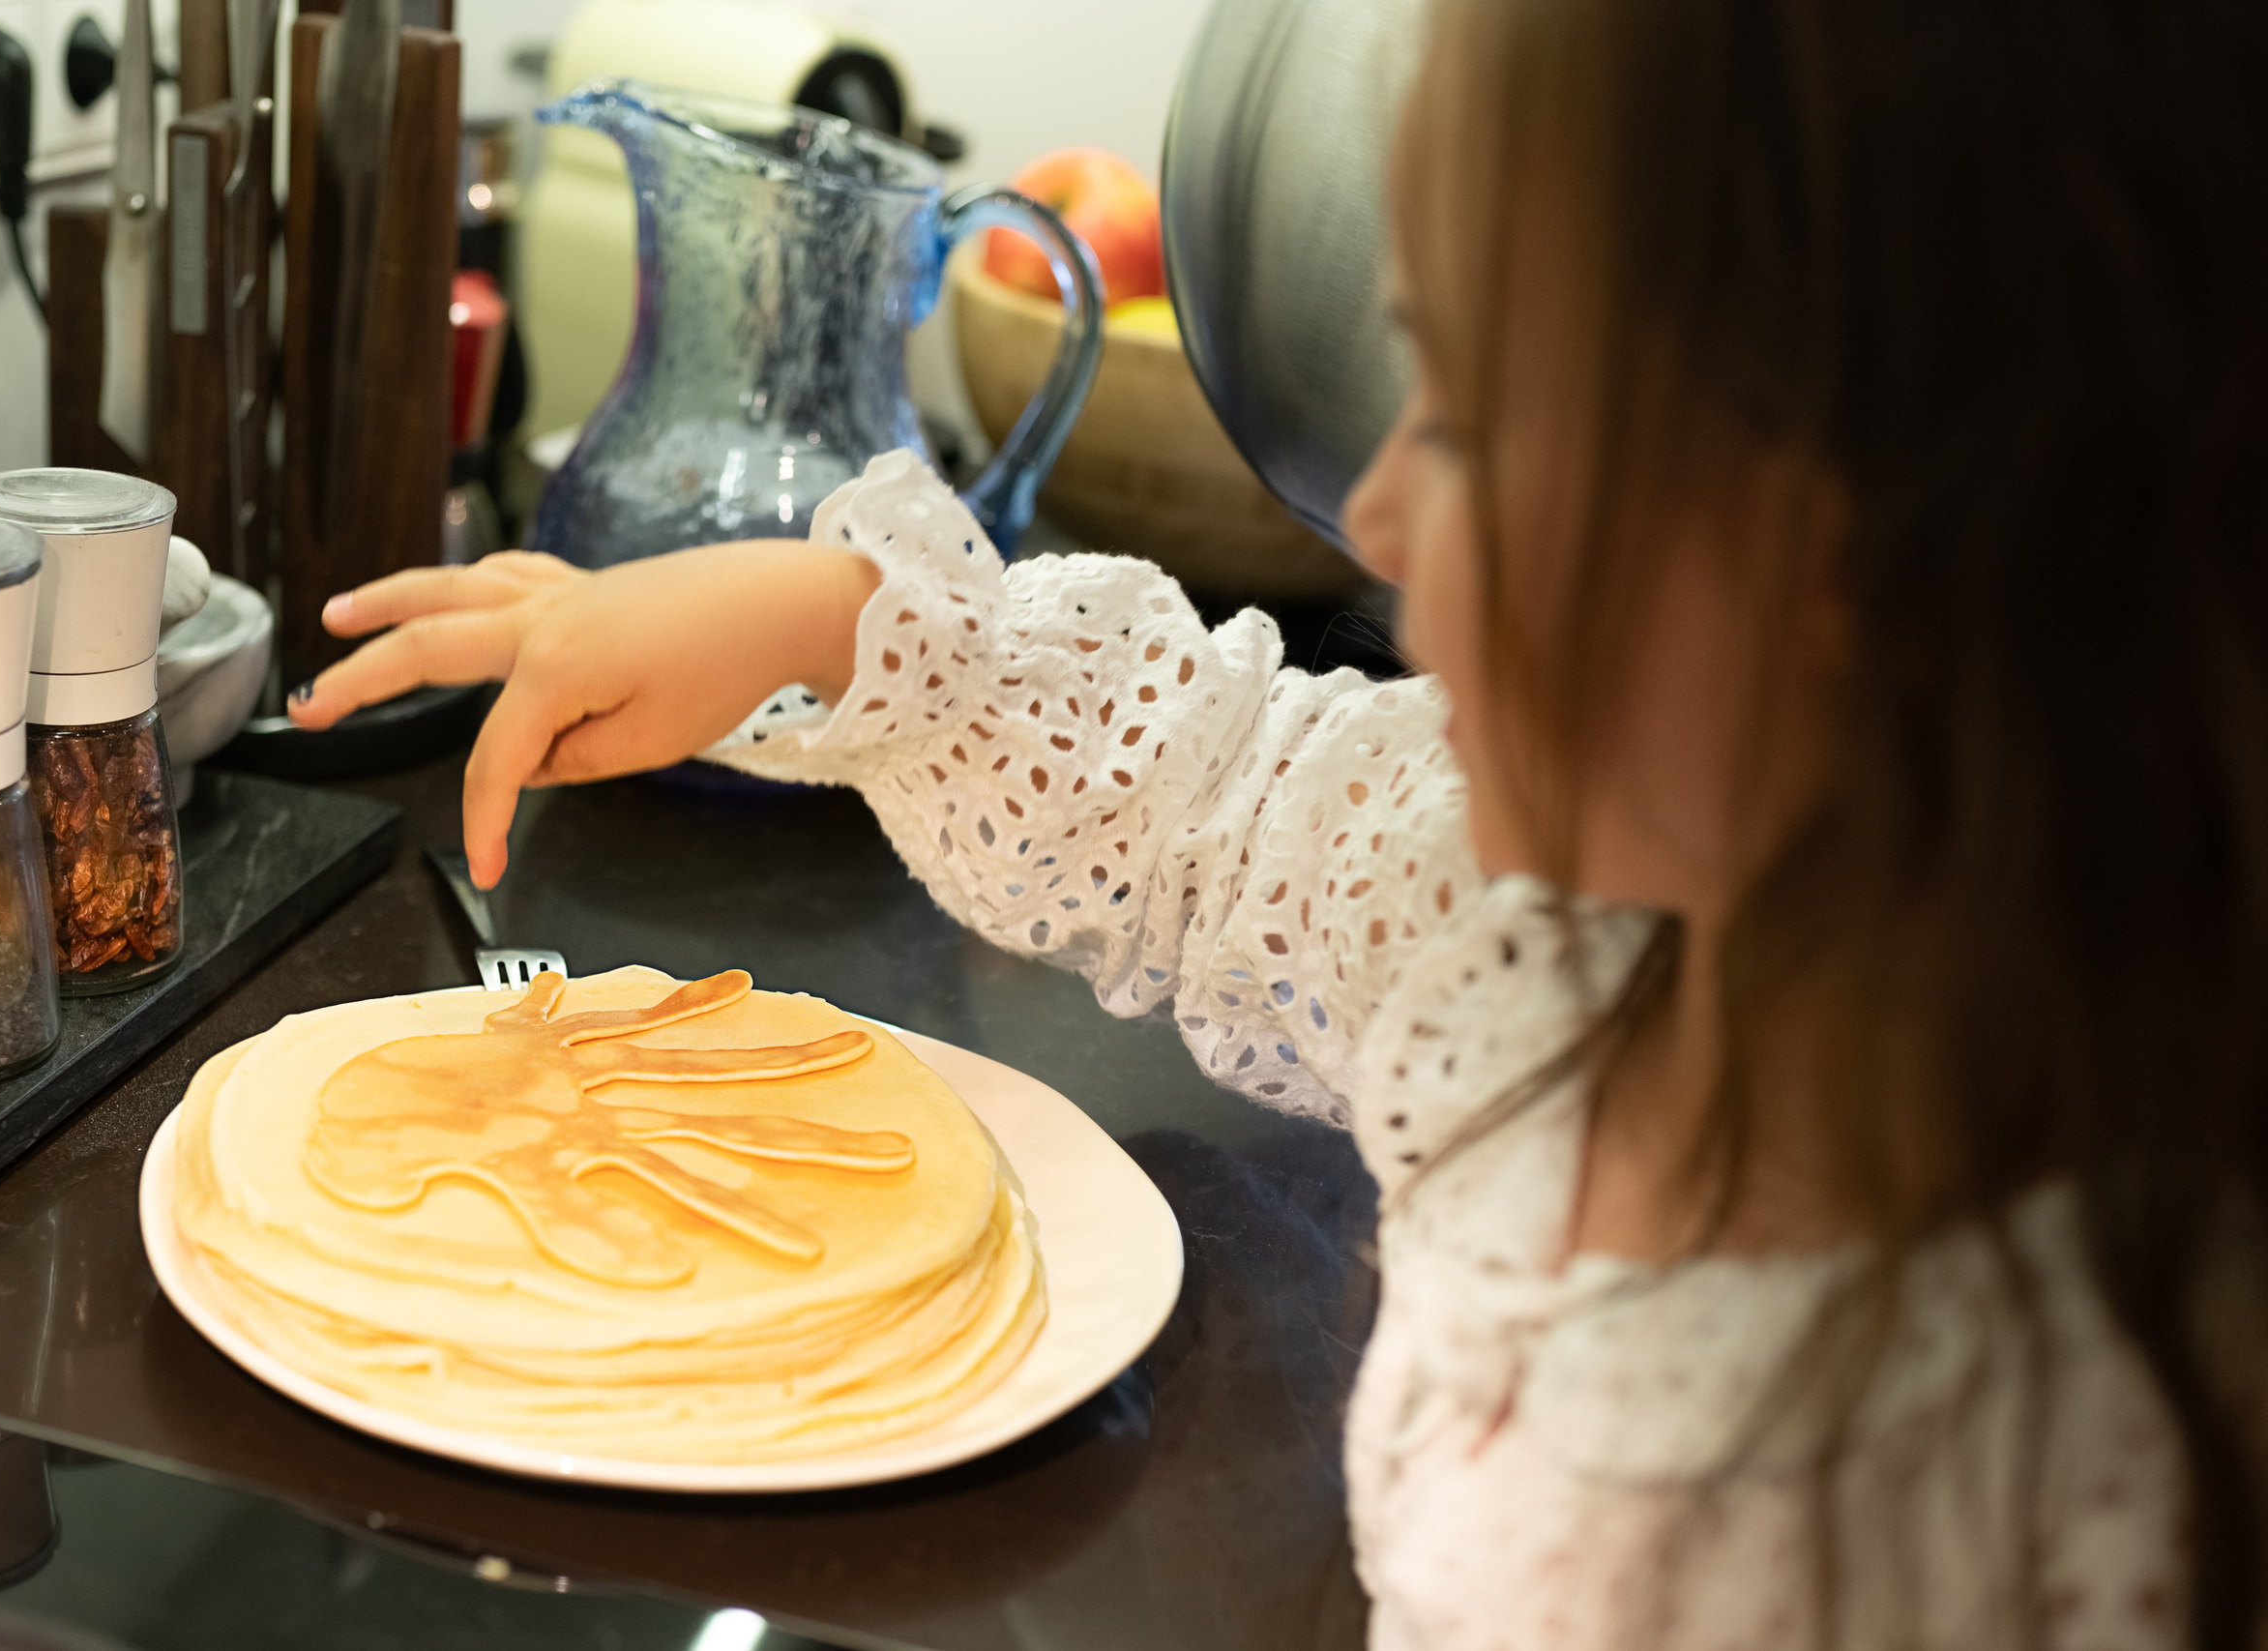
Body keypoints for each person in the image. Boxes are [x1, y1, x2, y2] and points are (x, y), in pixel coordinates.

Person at [288, 0, 2268, 1642]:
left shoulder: (2054, 1442)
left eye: (1477, 423)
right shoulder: (1535, 920)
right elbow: (1223, 792)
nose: (1383, 518)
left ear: (1883, 558)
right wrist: (833, 616)